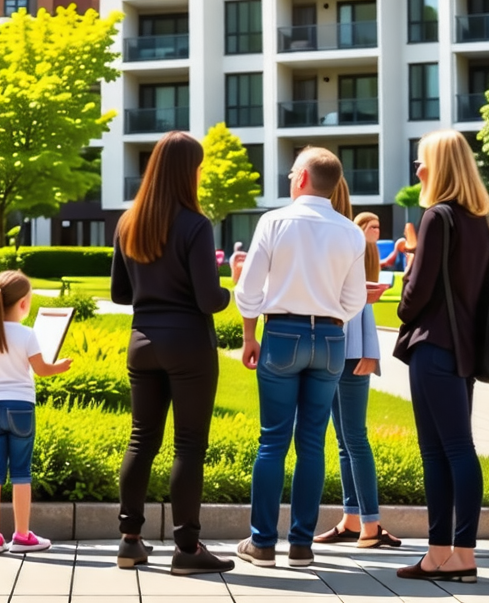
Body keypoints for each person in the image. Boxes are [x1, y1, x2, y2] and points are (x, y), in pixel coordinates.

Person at [230, 147, 369, 568]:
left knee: (273, 440)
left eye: (293, 173)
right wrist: (329, 323)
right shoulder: (351, 232)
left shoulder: (274, 221)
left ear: (303, 178)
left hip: (282, 333)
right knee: (313, 443)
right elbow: (355, 299)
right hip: (329, 338)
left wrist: (250, 335)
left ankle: (263, 543)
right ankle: (302, 545)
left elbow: (249, 290)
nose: (290, 178)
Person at [110, 131, 235, 575]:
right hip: (189, 345)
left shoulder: (128, 223)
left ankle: (130, 541)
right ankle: (186, 548)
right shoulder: (196, 225)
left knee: (141, 439)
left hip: (142, 342)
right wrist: (229, 291)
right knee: (189, 446)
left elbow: (120, 293)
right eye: (199, 166)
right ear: (189, 172)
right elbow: (207, 299)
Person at [392, 130, 489, 583]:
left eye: (422, 162)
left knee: (444, 451)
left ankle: (457, 553)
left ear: (441, 167)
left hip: (433, 347)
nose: (417, 171)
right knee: (451, 450)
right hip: (466, 351)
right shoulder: (478, 220)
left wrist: (402, 294)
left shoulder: (438, 217)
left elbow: (417, 293)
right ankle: (443, 554)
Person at [312, 198, 402, 550]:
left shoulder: (352, 245)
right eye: (372, 227)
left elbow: (360, 302)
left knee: (354, 439)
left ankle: (370, 524)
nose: (375, 233)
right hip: (341, 350)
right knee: (346, 441)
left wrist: (369, 352)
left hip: (348, 352)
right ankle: (354, 520)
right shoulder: (346, 242)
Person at [0, 270, 73, 555]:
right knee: (21, 473)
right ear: (24, 304)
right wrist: (60, 366)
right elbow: (41, 370)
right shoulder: (28, 335)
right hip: (22, 409)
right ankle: (22, 535)